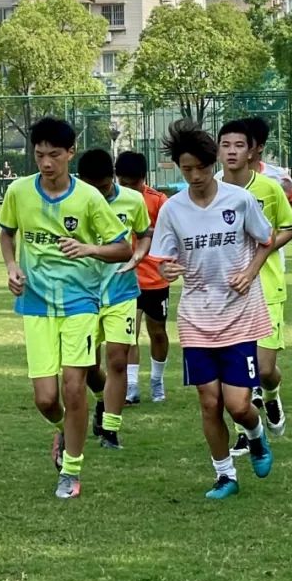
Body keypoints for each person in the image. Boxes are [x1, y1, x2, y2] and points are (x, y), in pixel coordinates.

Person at [0, 117, 131, 500]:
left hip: (80, 305)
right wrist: (12, 266)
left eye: (54, 155)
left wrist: (89, 248)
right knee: (46, 399)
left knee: (74, 389)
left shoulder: (88, 198)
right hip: (36, 305)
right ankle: (63, 430)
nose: (46, 163)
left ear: (70, 153)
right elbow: (6, 234)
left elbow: (122, 248)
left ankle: (71, 471)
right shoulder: (19, 192)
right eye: (39, 155)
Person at [149, 120, 275, 499]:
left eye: (201, 167)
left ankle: (255, 434)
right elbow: (162, 259)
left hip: (239, 312)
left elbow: (267, 240)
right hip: (196, 316)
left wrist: (250, 272)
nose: (195, 175)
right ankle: (225, 476)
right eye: (187, 169)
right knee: (208, 401)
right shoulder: (173, 209)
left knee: (237, 405)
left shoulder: (239, 200)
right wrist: (167, 269)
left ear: (212, 162)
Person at [216, 120, 292, 449]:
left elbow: (290, 227)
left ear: (251, 151)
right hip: (229, 292)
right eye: (226, 145)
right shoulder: (212, 189)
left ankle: (273, 396)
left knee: (264, 369)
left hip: (266, 287)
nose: (232, 151)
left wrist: (264, 248)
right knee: (238, 369)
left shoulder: (269, 187)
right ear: (218, 150)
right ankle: (242, 434)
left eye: (239, 145)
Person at [77, 149, 151, 450]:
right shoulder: (72, 200)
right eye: (92, 187)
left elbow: (145, 233)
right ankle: (100, 399)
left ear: (114, 179)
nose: (98, 194)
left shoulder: (133, 200)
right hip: (81, 294)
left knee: (118, 359)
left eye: (104, 187)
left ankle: (110, 429)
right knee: (86, 366)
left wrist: (138, 254)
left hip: (121, 290)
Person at [114, 151, 171, 404]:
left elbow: (173, 236)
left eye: (134, 184)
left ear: (143, 179)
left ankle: (157, 380)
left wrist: (168, 264)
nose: (129, 189)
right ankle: (132, 386)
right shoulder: (111, 201)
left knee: (157, 332)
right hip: (127, 277)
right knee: (129, 334)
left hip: (155, 279)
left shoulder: (159, 201)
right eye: (124, 183)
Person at [244, 116, 292, 214]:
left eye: (245, 143)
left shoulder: (278, 176)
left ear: (260, 147)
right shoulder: (221, 177)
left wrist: (284, 227)